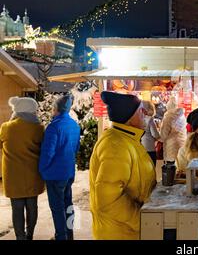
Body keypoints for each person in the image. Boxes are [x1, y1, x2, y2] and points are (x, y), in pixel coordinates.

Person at [89, 92, 157, 240]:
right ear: (130, 117)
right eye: (140, 110)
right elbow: (108, 200)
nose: (145, 113)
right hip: (119, 233)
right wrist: (141, 221)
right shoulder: (115, 146)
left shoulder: (126, 139)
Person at [0, 97, 45, 240]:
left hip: (13, 176)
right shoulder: (38, 128)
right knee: (32, 207)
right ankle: (30, 234)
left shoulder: (7, 127)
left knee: (17, 208)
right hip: (32, 174)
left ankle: (20, 237)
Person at [39, 94, 80, 240]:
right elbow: (76, 148)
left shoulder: (54, 127)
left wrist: (42, 169)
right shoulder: (74, 125)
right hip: (68, 172)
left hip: (55, 174)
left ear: (56, 109)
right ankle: (69, 234)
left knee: (57, 207)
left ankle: (61, 236)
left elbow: (48, 152)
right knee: (68, 204)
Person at [160, 97, 187, 163]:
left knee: (171, 167)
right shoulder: (182, 115)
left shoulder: (168, 116)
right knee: (180, 165)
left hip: (171, 146)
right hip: (182, 144)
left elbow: (164, 134)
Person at [141, 100, 161, 165]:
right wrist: (158, 137)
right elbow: (155, 134)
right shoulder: (149, 119)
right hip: (149, 147)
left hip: (140, 147)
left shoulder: (138, 118)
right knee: (151, 167)